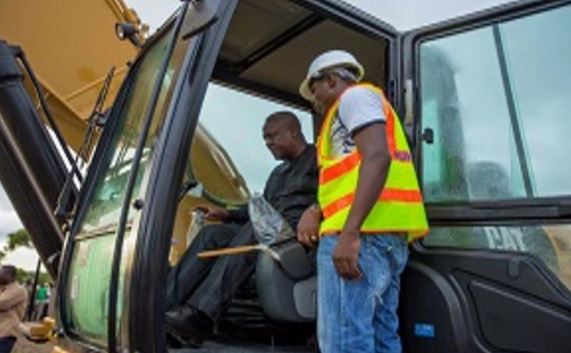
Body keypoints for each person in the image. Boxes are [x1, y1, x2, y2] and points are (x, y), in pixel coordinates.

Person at [296, 50, 429, 353]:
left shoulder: (354, 99)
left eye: (313, 90)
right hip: (385, 238)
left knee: (345, 342)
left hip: (361, 240)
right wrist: (317, 210)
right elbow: (352, 175)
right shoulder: (350, 116)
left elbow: (377, 158)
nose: (313, 99)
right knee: (383, 337)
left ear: (330, 80)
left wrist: (349, 233)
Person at [166, 111, 318, 348]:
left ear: (293, 132)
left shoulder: (319, 160)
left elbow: (339, 194)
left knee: (256, 229)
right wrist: (227, 214)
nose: (267, 143)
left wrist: (316, 210)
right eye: (264, 138)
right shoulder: (278, 174)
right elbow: (261, 210)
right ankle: (163, 305)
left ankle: (200, 316)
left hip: (299, 243)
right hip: (269, 236)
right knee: (212, 234)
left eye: (272, 136)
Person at [0, 265, 28, 353]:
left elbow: (2, 303)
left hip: (6, 333)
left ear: (10, 275)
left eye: (1, 273)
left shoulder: (19, 290)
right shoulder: (3, 289)